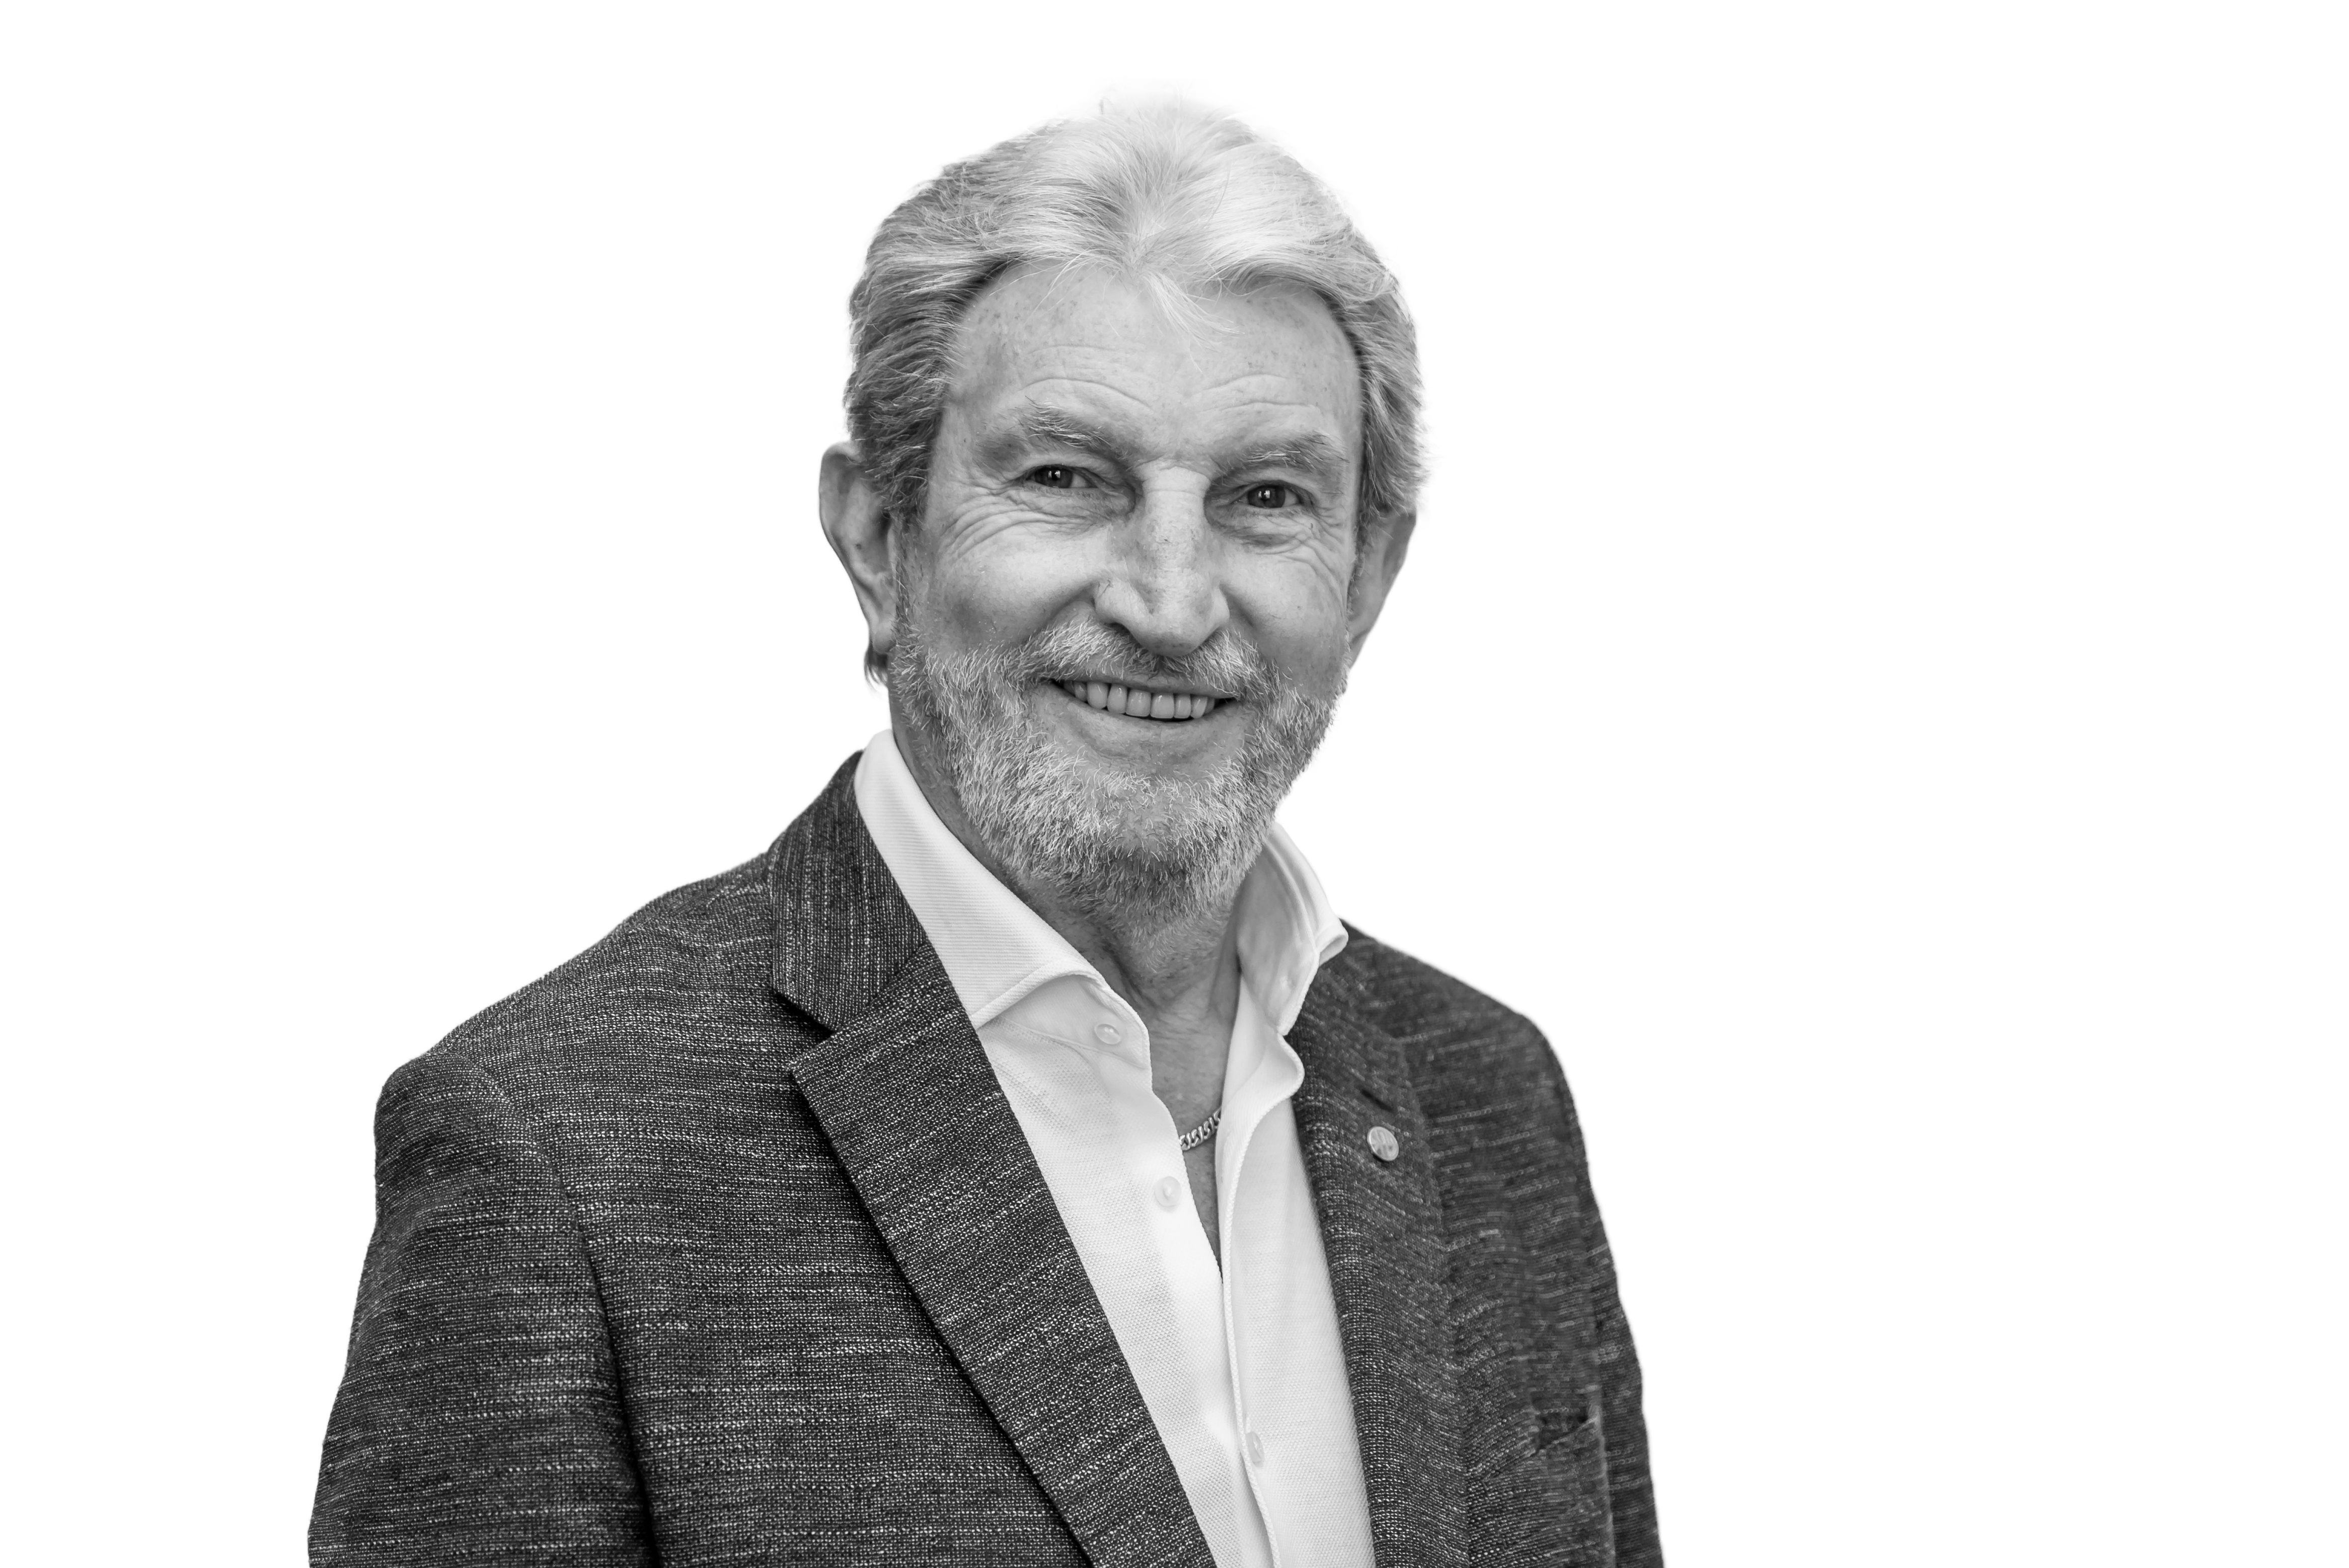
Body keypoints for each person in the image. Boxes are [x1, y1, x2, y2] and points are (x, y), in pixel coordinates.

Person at [311, 99, 1660, 1568]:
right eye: (1066, 477)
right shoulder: (557, 1151)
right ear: (878, 538)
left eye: (1265, 498)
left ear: (1369, 575)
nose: (1169, 601)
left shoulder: (1485, 1093)